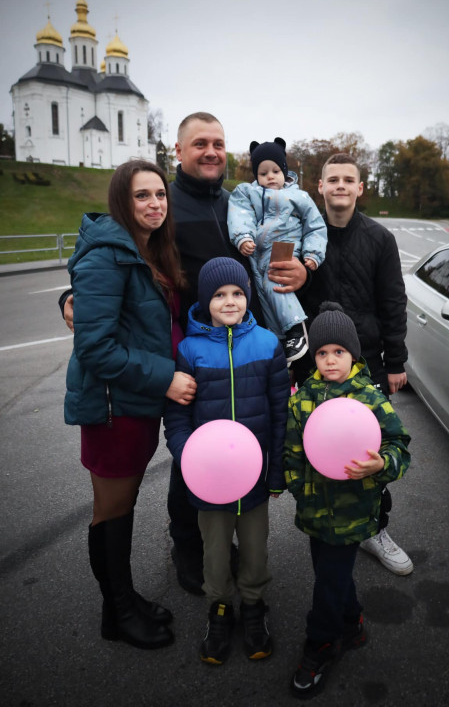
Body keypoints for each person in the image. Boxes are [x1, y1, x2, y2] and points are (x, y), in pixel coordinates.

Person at [61, 112, 308, 596]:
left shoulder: (244, 198)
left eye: (218, 142)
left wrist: (298, 271)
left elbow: (280, 240)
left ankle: (228, 538)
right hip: (187, 351)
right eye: (199, 143)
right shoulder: (160, 203)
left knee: (240, 440)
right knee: (192, 456)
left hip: (246, 346)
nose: (211, 151)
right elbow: (113, 265)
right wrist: (69, 299)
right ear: (179, 151)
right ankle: (189, 548)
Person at [64, 160, 197, 650]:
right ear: (123, 200)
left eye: (160, 194)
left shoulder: (147, 251)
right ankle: (118, 612)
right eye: (142, 195)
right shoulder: (107, 255)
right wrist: (165, 379)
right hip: (113, 408)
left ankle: (121, 604)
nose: (155, 204)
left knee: (122, 508)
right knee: (113, 511)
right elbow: (94, 348)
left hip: (136, 404)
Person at [164, 257, 290, 664]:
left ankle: (253, 606)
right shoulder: (190, 350)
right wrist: (188, 460)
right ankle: (219, 609)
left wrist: (275, 472)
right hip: (209, 482)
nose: (230, 301)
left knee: (255, 550)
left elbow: (278, 414)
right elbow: (178, 417)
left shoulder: (268, 344)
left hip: (254, 482)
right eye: (219, 295)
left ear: (248, 296)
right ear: (205, 300)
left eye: (237, 293)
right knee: (214, 552)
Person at [292, 152, 413, 576]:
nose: (340, 185)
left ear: (360, 188)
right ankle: (323, 520)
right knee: (313, 446)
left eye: (349, 179)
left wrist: (396, 360)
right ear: (320, 188)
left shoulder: (380, 239)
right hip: (313, 364)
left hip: (368, 365)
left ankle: (375, 529)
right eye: (333, 179)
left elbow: (393, 302)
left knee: (371, 448)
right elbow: (284, 298)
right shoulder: (306, 238)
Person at [284, 302, 411, 698]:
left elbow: (399, 446)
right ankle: (352, 623)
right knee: (329, 571)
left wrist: (381, 466)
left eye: (338, 352)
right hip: (314, 512)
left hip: (354, 512)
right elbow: (292, 450)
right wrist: (295, 487)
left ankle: (320, 644)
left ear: (353, 355)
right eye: (322, 353)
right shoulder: (303, 398)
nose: (329, 360)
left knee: (327, 580)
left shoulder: (370, 399)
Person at [228, 137, 327, 364]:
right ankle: (281, 342)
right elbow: (239, 215)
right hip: (257, 253)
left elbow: (315, 227)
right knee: (262, 293)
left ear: (284, 171)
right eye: (263, 173)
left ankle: (295, 327)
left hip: (286, 248)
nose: (270, 177)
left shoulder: (299, 196)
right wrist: (243, 237)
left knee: (275, 283)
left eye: (275, 171)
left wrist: (313, 254)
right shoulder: (247, 193)